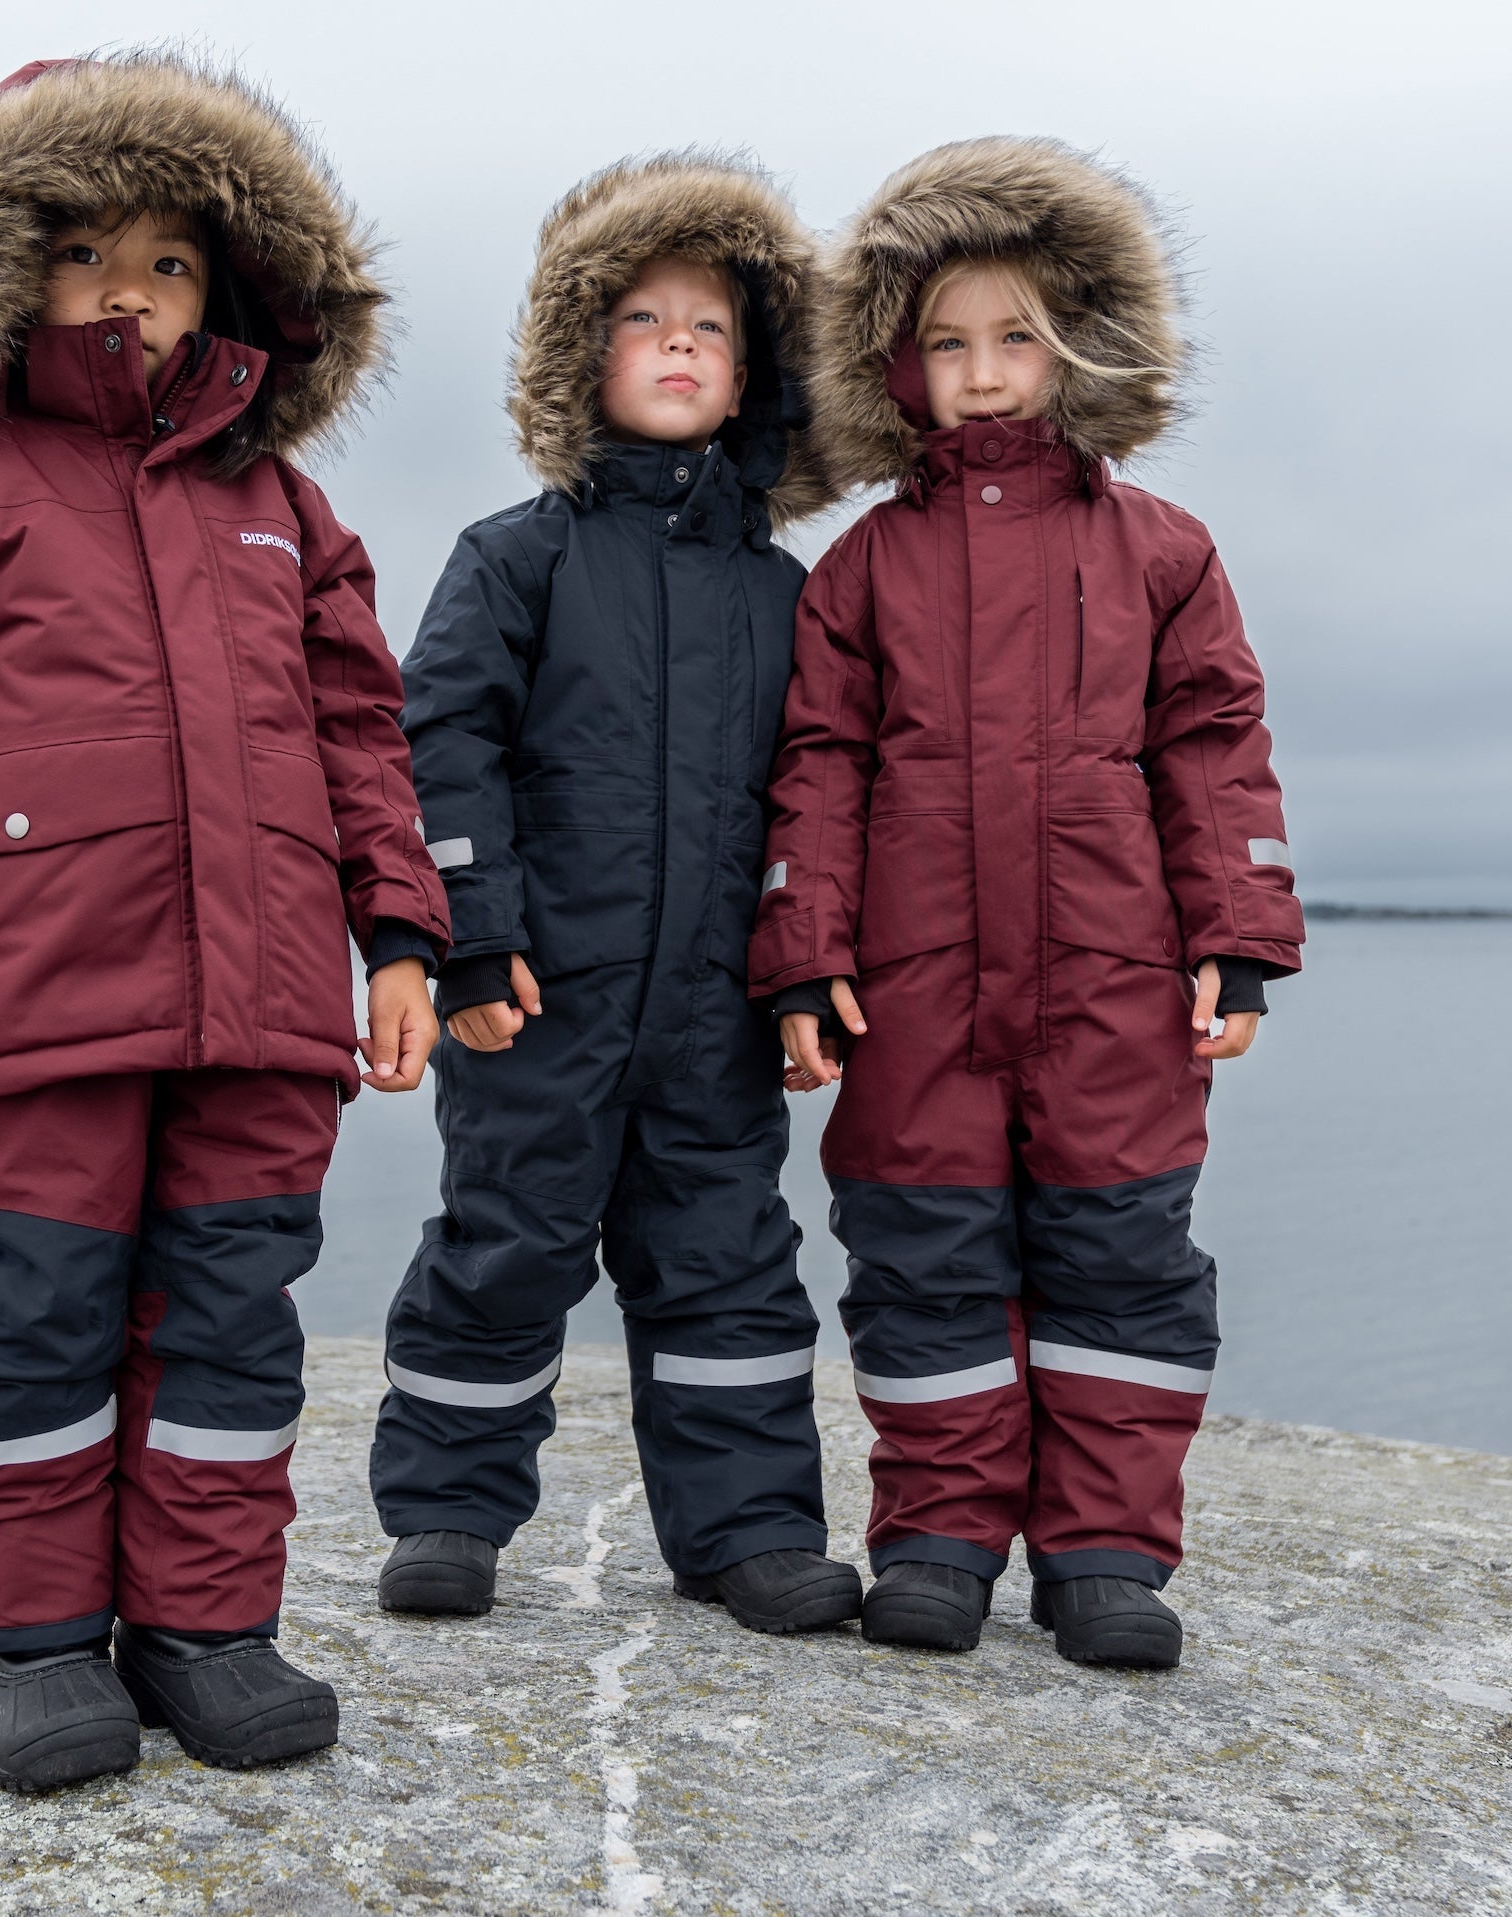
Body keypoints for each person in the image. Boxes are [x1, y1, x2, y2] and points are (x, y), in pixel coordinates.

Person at [0, 53, 448, 1791]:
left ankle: (205, 1626)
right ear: (9, 263)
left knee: (234, 1307)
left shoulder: (283, 507)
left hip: (267, 994)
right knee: (34, 1305)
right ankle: (40, 1642)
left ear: (231, 290)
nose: (129, 293)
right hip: (41, 986)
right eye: (86, 252)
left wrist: (400, 934)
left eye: (170, 261)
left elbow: (363, 731)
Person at [754, 138, 1303, 1669]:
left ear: (1081, 346)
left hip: (1116, 979)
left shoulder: (1163, 552)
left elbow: (1214, 746)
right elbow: (819, 767)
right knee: (922, 1256)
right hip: (916, 985)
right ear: (897, 368)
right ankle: (938, 1535)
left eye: (1018, 336)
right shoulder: (863, 568)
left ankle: (1106, 1552)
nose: (986, 372)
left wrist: (1239, 935)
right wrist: (803, 955)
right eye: (948, 343)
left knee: (1121, 1258)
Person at [368, 155, 864, 1636]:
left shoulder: (784, 595)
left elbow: (816, 794)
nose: (677, 345)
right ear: (580, 358)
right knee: (504, 1244)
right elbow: (441, 746)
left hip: (714, 1015)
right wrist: (471, 943)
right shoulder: (514, 558)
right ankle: (450, 1511)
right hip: (540, 1001)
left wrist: (800, 967)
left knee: (728, 1260)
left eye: (710, 328)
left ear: (751, 378)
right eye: (643, 320)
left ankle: (748, 1530)